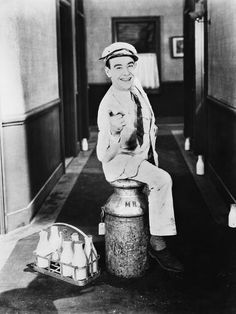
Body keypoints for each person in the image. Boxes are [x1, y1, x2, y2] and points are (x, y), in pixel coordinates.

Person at [96, 42, 183, 273]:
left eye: (130, 66)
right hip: (123, 163)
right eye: (118, 67)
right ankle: (158, 244)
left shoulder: (134, 86)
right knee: (163, 180)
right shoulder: (109, 105)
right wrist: (114, 133)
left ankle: (150, 233)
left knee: (156, 186)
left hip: (144, 154)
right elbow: (102, 155)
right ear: (108, 71)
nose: (125, 72)